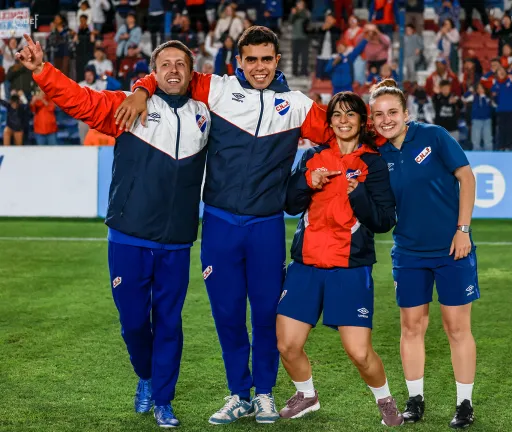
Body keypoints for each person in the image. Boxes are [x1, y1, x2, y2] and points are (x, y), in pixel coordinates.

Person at [114, 25, 333, 426]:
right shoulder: (216, 89)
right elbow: (171, 75)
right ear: (239, 63)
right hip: (219, 225)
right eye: (251, 60)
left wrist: (309, 175)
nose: (259, 67)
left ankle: (264, 394)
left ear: (277, 60)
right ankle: (238, 394)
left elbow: (342, 130)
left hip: (266, 227)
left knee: (265, 315)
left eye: (266, 59)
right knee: (228, 315)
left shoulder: (298, 105)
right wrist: (142, 90)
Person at [16, 34, 210, 428]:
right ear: (153, 73)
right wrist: (41, 70)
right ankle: (146, 375)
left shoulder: (207, 114)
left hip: (176, 241)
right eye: (165, 64)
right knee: (134, 323)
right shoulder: (128, 106)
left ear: (193, 73)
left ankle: (163, 400)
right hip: (128, 235)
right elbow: (80, 100)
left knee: (169, 323)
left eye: (181, 64)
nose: (173, 70)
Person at [276, 91, 402, 426]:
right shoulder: (313, 155)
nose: (343, 121)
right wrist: (308, 181)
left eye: (350, 114)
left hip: (350, 268)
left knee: (359, 352)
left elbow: (384, 220)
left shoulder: (373, 163)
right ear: (329, 121)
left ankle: (385, 400)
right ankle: (306, 395)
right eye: (337, 115)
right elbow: (290, 204)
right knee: (287, 345)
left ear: (362, 121)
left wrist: (358, 194)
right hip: (306, 264)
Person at [369, 79, 478, 429]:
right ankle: (415, 399)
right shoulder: (377, 153)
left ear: (406, 113)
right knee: (411, 326)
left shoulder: (434, 136)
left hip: (452, 249)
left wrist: (463, 230)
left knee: (457, 327)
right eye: (379, 115)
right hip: (408, 253)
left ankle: (464, 403)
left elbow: (467, 177)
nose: (386, 120)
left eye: (392, 112)